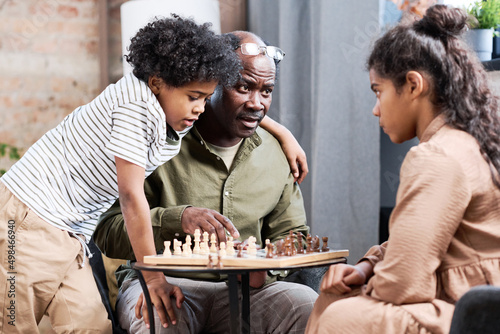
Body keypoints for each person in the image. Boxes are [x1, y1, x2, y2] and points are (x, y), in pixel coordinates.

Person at [0, 16, 301, 333]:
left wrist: (282, 132)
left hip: (71, 233)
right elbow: (131, 196)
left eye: (204, 97)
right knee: (13, 324)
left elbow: (234, 109)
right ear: (156, 82)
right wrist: (153, 275)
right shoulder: (136, 108)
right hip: (28, 218)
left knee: (91, 326)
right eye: (194, 97)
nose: (200, 109)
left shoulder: (174, 108)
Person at [94, 31, 318, 334]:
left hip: (250, 293)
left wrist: (267, 266)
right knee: (161, 320)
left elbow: (295, 235)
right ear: (210, 85)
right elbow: (107, 229)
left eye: (267, 91)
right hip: (165, 282)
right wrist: (178, 219)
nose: (257, 103)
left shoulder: (277, 152)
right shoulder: (156, 140)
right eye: (244, 87)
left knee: (307, 305)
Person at [306, 5, 500, 334]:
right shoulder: (467, 141)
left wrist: (374, 283)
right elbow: (415, 239)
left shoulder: (438, 155)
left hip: (472, 307)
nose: (375, 110)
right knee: (336, 299)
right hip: (474, 298)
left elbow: (403, 283)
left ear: (412, 85)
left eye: (378, 92)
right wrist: (368, 268)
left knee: (342, 316)